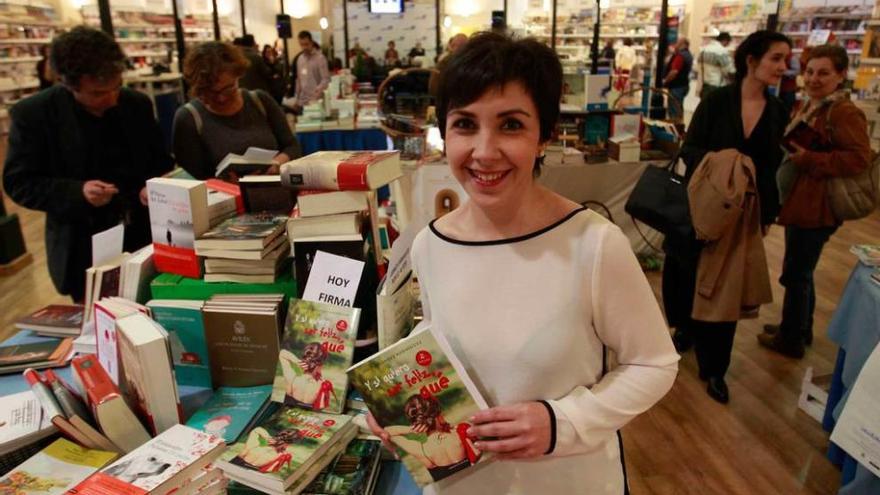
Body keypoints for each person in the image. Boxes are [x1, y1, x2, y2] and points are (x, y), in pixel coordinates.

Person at [368, 32, 678, 493]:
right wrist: (399, 396)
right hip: (463, 481)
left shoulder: (593, 244)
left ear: (544, 135)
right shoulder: (431, 243)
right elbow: (440, 336)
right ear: (444, 131)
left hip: (566, 480)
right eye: (465, 124)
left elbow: (653, 364)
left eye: (510, 125)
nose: (485, 151)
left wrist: (562, 423)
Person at [663, 31, 791, 404]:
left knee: (726, 286)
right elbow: (691, 150)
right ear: (751, 60)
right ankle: (684, 328)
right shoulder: (717, 101)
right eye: (776, 58)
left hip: (744, 216)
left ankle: (715, 368)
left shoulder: (778, 111)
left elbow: (771, 168)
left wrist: (768, 213)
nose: (784, 67)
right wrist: (729, 169)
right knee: (685, 271)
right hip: (701, 205)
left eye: (785, 59)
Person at [3, 26, 173, 303]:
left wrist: (151, 186)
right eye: (97, 93)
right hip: (83, 248)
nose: (112, 98)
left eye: (117, 87)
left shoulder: (136, 104)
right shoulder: (33, 115)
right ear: (68, 84)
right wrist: (77, 192)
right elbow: (19, 183)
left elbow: (160, 162)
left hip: (144, 237)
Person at [759, 45, 871, 358]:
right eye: (809, 71)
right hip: (803, 200)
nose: (813, 78)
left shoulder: (844, 112)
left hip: (817, 205)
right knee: (800, 270)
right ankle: (798, 328)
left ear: (840, 75)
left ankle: (791, 338)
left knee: (796, 273)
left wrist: (809, 159)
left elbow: (858, 159)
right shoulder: (814, 106)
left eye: (823, 73)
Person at [172, 41, 301, 180]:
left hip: (275, 193)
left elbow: (292, 146)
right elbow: (192, 177)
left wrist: (278, 163)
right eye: (211, 93)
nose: (221, 98)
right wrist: (223, 183)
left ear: (238, 76)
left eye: (228, 88)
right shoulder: (188, 119)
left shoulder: (260, 101)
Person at [383, 395, 481, 481]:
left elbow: (386, 431)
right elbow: (476, 454)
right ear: (437, 413)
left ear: (416, 421)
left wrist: (411, 429)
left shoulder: (421, 450)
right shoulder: (458, 433)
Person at [277, 344, 336, 410]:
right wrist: (319, 371)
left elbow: (282, 353)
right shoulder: (322, 385)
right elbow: (321, 407)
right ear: (321, 364)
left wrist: (297, 361)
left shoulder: (292, 378)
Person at [291, 31, 330, 112]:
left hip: (316, 102)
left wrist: (316, 94)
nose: (304, 47)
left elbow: (325, 80)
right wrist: (296, 98)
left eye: (306, 44)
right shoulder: (300, 59)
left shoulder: (320, 58)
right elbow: (299, 80)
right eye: (302, 45)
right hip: (302, 102)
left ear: (311, 42)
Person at [663, 38, 693, 121]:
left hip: (676, 86)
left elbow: (674, 72)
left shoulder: (680, 56)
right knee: (679, 107)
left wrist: (665, 81)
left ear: (682, 44)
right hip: (684, 84)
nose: (675, 44)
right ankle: (679, 126)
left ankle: (674, 128)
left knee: (674, 110)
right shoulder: (688, 55)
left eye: (677, 42)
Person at [699, 32, 735, 99]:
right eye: (728, 43)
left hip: (704, 84)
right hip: (716, 85)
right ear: (725, 40)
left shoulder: (704, 49)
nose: (728, 45)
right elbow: (729, 70)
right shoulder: (721, 51)